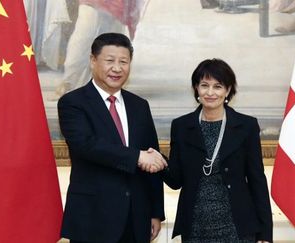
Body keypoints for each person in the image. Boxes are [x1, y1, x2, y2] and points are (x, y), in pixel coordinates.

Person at [58, 32, 167, 243]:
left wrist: (155, 212)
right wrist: (136, 156)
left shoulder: (139, 105)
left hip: (136, 217)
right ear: (93, 60)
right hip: (92, 216)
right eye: (110, 61)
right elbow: (85, 145)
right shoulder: (73, 102)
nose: (117, 68)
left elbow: (151, 153)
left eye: (123, 62)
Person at [162, 59, 273, 243]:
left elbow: (257, 180)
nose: (210, 92)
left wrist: (265, 233)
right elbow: (176, 180)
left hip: (238, 227)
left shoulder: (246, 126)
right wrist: (159, 162)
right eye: (204, 85)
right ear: (196, 88)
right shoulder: (182, 126)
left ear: (228, 90)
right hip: (196, 226)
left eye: (218, 86)